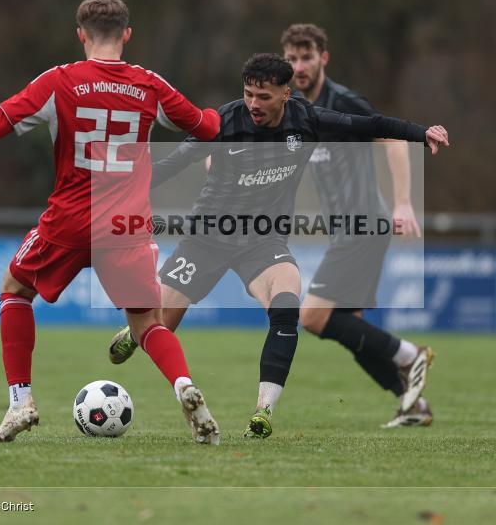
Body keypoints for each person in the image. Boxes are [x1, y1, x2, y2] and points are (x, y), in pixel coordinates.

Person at [0, 0, 222, 445]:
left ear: (81, 35)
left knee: (15, 290)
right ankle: (183, 385)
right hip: (126, 225)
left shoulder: (60, 81)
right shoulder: (149, 84)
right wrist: (221, 114)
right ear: (127, 35)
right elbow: (206, 127)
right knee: (148, 324)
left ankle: (20, 402)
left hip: (70, 220)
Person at [108, 53, 449, 438]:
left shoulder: (306, 119)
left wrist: (421, 134)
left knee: (287, 308)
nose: (254, 103)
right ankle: (134, 333)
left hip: (263, 240)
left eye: (264, 96)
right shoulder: (224, 122)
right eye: (248, 94)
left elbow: (370, 124)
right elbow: (172, 164)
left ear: (286, 94)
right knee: (155, 329)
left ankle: (263, 411)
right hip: (207, 238)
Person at [281, 23, 433, 428]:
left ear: (323, 58)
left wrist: (403, 203)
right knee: (351, 327)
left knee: (312, 317)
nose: (299, 66)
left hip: (363, 224)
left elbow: (393, 139)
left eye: (307, 57)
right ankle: (412, 403)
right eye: (292, 59)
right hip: (345, 229)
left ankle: (409, 355)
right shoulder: (294, 108)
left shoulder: (344, 102)